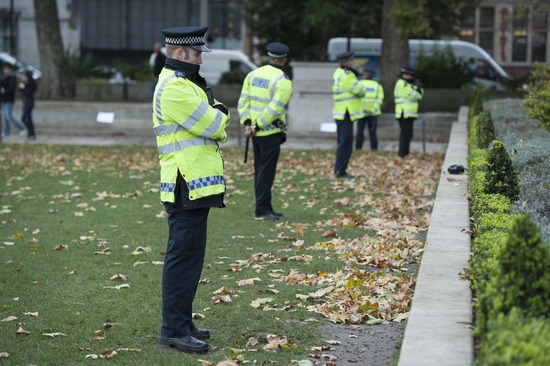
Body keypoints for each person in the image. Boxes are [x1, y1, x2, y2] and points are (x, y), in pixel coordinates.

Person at [152, 26, 231, 355]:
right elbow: (215, 124)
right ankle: (173, 329)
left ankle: (182, 322)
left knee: (189, 258)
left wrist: (216, 112)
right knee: (183, 259)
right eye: (197, 54)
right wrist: (221, 114)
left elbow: (212, 119)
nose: (200, 59)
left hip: (192, 185)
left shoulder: (184, 83)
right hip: (185, 184)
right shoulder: (175, 88)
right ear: (181, 53)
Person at [238, 42, 292, 221]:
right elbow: (274, 109)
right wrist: (258, 126)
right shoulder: (283, 81)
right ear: (284, 60)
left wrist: (248, 123)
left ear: (269, 58)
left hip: (254, 133)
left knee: (260, 170)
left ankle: (265, 206)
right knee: (266, 172)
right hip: (269, 133)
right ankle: (262, 209)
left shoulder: (252, 75)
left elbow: (243, 102)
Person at [332, 51, 366, 178]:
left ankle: (339, 170)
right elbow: (361, 91)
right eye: (352, 60)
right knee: (345, 144)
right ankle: (341, 171)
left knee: (343, 143)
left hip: (340, 112)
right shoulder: (348, 75)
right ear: (349, 61)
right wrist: (358, 80)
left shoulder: (338, 72)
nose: (353, 62)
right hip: (346, 112)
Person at [394, 66, 423, 158]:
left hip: (409, 113)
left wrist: (417, 89)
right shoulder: (402, 83)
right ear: (404, 75)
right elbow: (415, 95)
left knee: (408, 134)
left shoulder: (408, 84)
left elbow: (420, 94)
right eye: (408, 74)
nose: (411, 76)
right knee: (405, 134)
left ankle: (405, 153)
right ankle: (402, 154)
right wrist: (417, 89)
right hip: (404, 113)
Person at [356, 69, 384, 150]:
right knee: (372, 132)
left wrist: (363, 109)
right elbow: (380, 99)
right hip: (373, 113)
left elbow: (356, 99)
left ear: (364, 75)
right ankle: (374, 148)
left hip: (361, 112)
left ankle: (358, 148)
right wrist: (371, 109)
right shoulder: (377, 85)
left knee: (360, 131)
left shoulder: (359, 84)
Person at [1, 63, 26, 137]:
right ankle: (6, 132)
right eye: (5, 69)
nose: (6, 70)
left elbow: (11, 89)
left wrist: (4, 91)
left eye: (7, 69)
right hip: (4, 99)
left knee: (8, 116)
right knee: (5, 117)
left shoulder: (12, 78)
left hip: (9, 99)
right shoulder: (3, 78)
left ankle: (21, 128)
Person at [19, 70, 38, 141]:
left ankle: (31, 132)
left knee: (24, 118)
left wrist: (23, 88)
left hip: (29, 103)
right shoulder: (26, 84)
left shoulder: (31, 84)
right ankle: (31, 134)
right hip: (26, 103)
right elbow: (22, 92)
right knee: (29, 119)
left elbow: (28, 93)